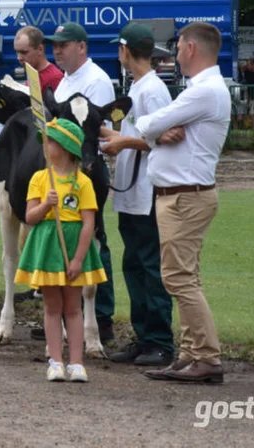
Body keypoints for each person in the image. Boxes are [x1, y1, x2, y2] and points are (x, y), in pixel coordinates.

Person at [135, 21, 231, 384]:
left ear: (191, 48)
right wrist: (159, 131)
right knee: (184, 276)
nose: (175, 55)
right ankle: (192, 352)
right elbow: (160, 130)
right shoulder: (202, 90)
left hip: (184, 198)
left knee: (179, 279)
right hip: (183, 196)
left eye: (177, 48)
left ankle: (206, 357)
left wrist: (153, 128)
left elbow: (149, 123)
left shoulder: (204, 91)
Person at [98, 23, 175, 367]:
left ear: (126, 50)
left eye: (120, 48)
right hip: (133, 192)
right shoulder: (139, 87)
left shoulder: (153, 90)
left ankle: (159, 341)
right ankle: (144, 338)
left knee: (149, 266)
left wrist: (121, 142)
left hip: (147, 192)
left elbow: (165, 136)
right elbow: (137, 132)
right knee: (135, 265)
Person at [14, 118, 107, 383]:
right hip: (47, 249)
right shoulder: (39, 178)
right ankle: (55, 361)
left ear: (66, 148)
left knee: (73, 308)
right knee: (52, 307)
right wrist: (46, 205)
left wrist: (78, 258)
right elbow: (30, 217)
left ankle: (76, 363)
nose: (46, 145)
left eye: (52, 141)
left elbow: (89, 223)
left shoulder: (83, 182)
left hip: (74, 246)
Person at [45, 21, 117, 342]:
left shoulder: (97, 81)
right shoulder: (66, 81)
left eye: (64, 44)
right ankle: (66, 314)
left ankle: (101, 318)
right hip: (65, 170)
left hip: (87, 170)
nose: (57, 50)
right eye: (55, 45)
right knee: (68, 238)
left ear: (82, 47)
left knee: (95, 238)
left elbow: (98, 128)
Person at [13, 26, 63, 93]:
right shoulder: (33, 72)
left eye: (24, 52)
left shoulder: (54, 79)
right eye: (17, 52)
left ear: (40, 49)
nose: (19, 58)